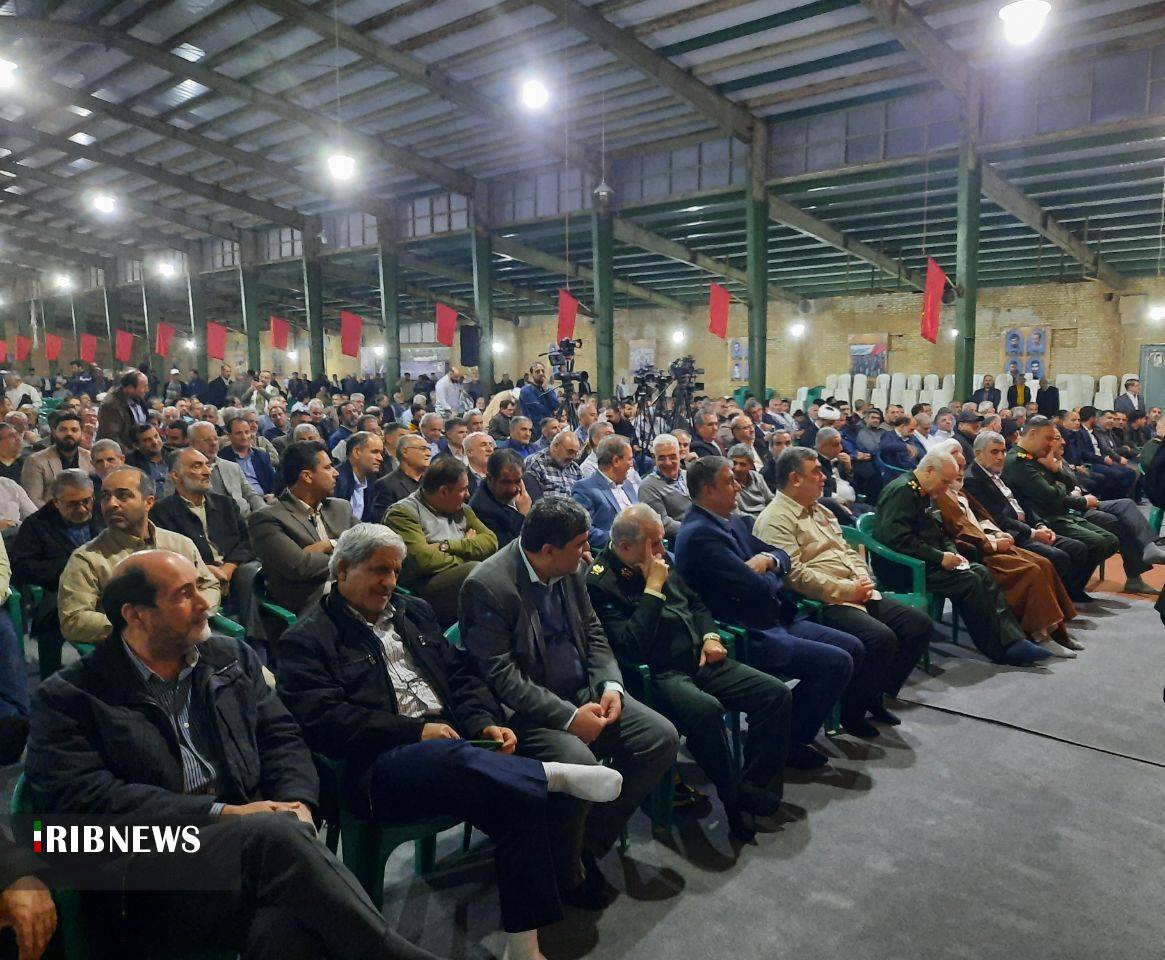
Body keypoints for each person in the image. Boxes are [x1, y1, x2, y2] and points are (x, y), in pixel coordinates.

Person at [28, 550, 449, 960]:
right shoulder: (72, 696)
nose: (204, 604)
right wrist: (223, 814)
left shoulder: (228, 659)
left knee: (287, 926)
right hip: (144, 873)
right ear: (135, 615)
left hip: (249, 857)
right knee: (277, 844)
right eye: (184, 594)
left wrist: (298, 802)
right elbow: (86, 800)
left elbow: (280, 736)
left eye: (199, 587)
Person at [278, 524, 620, 958]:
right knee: (448, 755)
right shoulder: (307, 639)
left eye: (395, 571)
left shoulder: (412, 612)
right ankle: (546, 774)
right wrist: (414, 731)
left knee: (519, 799)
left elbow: (461, 675)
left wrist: (483, 723)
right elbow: (326, 721)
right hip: (380, 766)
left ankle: (524, 949)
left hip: (456, 748)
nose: (389, 582)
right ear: (343, 569)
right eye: (379, 570)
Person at [458, 497, 678, 907]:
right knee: (580, 764)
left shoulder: (570, 569)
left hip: (583, 692)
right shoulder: (488, 585)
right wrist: (568, 717)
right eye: (579, 545)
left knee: (660, 737)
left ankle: (583, 845)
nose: (587, 552)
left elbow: (593, 633)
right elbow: (501, 676)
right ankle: (566, 873)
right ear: (547, 550)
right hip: (524, 714)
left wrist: (610, 686)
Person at [587, 505, 790, 841]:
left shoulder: (659, 559)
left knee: (775, 695)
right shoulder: (601, 582)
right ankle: (734, 800)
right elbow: (630, 646)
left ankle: (754, 788)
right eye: (654, 544)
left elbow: (695, 602)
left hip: (700, 658)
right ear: (624, 547)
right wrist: (653, 589)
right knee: (706, 710)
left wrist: (710, 636)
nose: (662, 549)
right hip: (659, 674)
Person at [674, 457, 860, 768]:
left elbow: (782, 555)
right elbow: (759, 587)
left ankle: (785, 733)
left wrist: (767, 562)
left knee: (852, 647)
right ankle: (787, 742)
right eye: (730, 481)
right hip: (746, 632)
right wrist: (772, 572)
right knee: (836, 662)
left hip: (772, 617)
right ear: (707, 490)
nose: (738, 486)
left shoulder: (731, 520)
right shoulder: (700, 534)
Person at [755, 448, 933, 732]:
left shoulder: (821, 509)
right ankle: (852, 711)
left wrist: (863, 577)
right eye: (816, 471)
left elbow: (847, 551)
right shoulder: (775, 519)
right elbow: (794, 576)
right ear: (795, 479)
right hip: (820, 601)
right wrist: (849, 590)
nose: (824, 477)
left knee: (917, 625)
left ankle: (871, 692)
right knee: (880, 638)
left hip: (854, 589)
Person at [873, 451, 1049, 665]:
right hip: (902, 566)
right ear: (929, 471)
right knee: (969, 582)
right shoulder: (903, 491)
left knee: (981, 572)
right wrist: (939, 557)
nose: (946, 489)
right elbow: (897, 539)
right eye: (945, 482)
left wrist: (952, 552)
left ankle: (1013, 639)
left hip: (924, 558)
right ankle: (997, 649)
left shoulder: (921, 489)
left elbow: (937, 532)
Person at [930, 441, 1080, 657]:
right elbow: (959, 532)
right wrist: (992, 542)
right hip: (978, 552)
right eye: (956, 466)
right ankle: (1041, 635)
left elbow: (981, 518)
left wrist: (997, 533)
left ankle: (1056, 631)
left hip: (991, 540)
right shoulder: (943, 494)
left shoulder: (960, 491)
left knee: (1043, 563)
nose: (960, 471)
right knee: (1031, 571)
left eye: (962, 465)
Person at [57, 466, 221, 646]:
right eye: (105, 496)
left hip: (190, 640)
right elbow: (74, 620)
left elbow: (209, 585)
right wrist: (144, 623)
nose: (112, 504)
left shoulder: (180, 544)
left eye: (123, 495)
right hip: (132, 650)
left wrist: (189, 612)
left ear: (148, 502)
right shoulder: (88, 558)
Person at [963, 431, 1095, 603]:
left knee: (1078, 548)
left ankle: (1064, 596)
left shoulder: (997, 472)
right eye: (994, 452)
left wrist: (1039, 525)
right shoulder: (973, 480)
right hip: (1010, 535)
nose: (1001, 457)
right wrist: (1033, 533)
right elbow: (998, 519)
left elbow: (1023, 503)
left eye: (1003, 451)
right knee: (1058, 557)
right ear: (978, 454)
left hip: (1027, 526)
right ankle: (1049, 602)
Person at [151, 448, 259, 632]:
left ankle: (253, 637)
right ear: (176, 476)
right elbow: (169, 556)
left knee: (249, 573)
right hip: (197, 577)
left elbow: (247, 542)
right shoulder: (160, 513)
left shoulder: (225, 504)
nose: (207, 471)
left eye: (207, 465)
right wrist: (207, 570)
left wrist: (228, 568)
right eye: (197, 466)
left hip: (235, 571)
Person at [384, 458, 496, 627]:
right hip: (422, 587)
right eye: (463, 489)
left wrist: (448, 546)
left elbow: (491, 541)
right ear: (443, 491)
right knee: (475, 570)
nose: (468, 495)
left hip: (455, 579)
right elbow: (422, 560)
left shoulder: (463, 509)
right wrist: (468, 550)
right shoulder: (402, 513)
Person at [248, 441, 355, 615]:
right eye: (328, 468)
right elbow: (300, 567)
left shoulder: (340, 507)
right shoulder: (267, 518)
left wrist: (330, 544)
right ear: (307, 476)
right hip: (309, 605)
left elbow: (368, 543)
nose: (336, 473)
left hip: (352, 590)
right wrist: (352, 556)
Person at [182, 421, 265, 517]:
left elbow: (251, 495)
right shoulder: (185, 472)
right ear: (192, 444)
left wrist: (266, 513)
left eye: (215, 439)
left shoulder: (232, 467)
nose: (213, 443)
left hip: (246, 518)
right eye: (207, 440)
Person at [571, 436, 638, 549]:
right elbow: (583, 531)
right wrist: (623, 540)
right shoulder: (585, 489)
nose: (632, 464)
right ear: (616, 461)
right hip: (615, 550)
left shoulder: (628, 485)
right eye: (629, 459)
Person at [21, 410, 92, 506]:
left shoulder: (89, 457)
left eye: (74, 430)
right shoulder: (35, 461)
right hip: (49, 513)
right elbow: (32, 500)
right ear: (54, 432)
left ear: (81, 433)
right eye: (63, 430)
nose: (69, 433)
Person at [469, 448, 531, 548]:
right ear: (490, 478)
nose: (512, 488)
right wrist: (524, 515)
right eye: (506, 482)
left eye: (517, 481)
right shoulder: (481, 510)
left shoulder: (524, 492)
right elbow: (509, 549)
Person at [636, 434, 691, 542]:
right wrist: (698, 529)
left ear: (680, 455)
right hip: (680, 541)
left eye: (672, 457)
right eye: (661, 458)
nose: (668, 463)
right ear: (654, 458)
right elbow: (663, 524)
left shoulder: (689, 475)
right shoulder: (647, 487)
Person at [371, 433, 432, 518]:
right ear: (405, 452)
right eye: (423, 449)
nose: (429, 454)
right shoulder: (386, 485)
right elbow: (383, 520)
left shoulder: (432, 482)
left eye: (428, 449)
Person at [218, 415, 276, 499]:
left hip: (265, 500)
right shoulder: (222, 457)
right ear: (229, 436)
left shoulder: (261, 456)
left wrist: (273, 495)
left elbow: (273, 483)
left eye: (247, 432)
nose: (244, 437)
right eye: (239, 433)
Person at [334, 431, 384, 523]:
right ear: (356, 452)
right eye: (375, 452)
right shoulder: (335, 480)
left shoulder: (373, 480)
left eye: (381, 453)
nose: (380, 458)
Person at [522, 429, 582, 498]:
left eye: (576, 453)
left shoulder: (575, 468)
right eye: (570, 452)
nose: (573, 457)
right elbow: (533, 499)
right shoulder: (535, 463)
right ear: (556, 446)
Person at [123, 422, 168, 498]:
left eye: (156, 436)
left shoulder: (174, 455)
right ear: (136, 445)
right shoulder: (130, 463)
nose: (155, 442)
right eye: (148, 440)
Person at [518, 362, 558, 428]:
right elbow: (538, 409)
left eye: (543, 371)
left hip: (549, 427)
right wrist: (551, 411)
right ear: (531, 374)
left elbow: (555, 406)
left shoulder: (548, 389)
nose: (541, 373)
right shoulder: (525, 390)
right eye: (537, 371)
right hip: (533, 428)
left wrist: (546, 390)